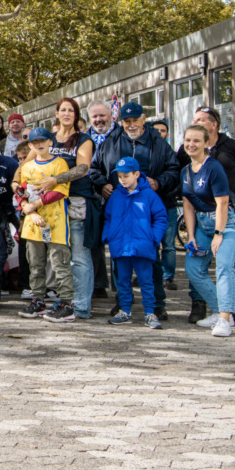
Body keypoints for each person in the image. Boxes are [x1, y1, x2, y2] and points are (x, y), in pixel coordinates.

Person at [89, 100, 180, 321]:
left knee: (152, 261)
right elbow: (94, 168)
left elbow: (174, 169)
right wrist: (102, 185)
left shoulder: (158, 143)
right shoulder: (110, 141)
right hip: (119, 208)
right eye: (126, 121)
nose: (130, 125)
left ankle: (157, 304)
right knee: (119, 261)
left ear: (143, 119)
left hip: (147, 208)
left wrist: (159, 182)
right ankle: (122, 302)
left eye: (134, 120)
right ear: (121, 121)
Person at [176, 106, 235, 325]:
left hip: (227, 221)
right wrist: (190, 236)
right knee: (193, 269)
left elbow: (223, 202)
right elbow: (188, 203)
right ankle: (221, 311)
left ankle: (225, 318)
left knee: (225, 265)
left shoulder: (217, 163)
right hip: (202, 223)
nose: (191, 145)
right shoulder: (185, 169)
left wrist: (219, 233)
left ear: (207, 138)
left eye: (196, 141)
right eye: (187, 140)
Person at [42, 97, 97, 319]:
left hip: (76, 202)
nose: (66, 114)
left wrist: (55, 180)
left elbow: (83, 168)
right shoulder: (48, 140)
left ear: (76, 115)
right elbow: (28, 162)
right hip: (51, 205)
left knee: (79, 256)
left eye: (71, 111)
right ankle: (66, 301)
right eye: (62, 110)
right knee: (59, 257)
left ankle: (82, 306)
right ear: (56, 114)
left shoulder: (83, 139)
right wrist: (18, 181)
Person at [16, 128, 75, 322]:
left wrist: (35, 204)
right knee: (35, 265)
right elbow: (21, 191)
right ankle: (38, 300)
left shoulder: (60, 164)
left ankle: (67, 303)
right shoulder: (27, 167)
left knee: (59, 264)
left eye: (44, 140)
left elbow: (60, 191)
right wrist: (27, 208)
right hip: (33, 224)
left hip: (56, 222)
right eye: (35, 142)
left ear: (51, 142)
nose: (39, 144)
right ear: (30, 145)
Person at [103, 158, 167, 329]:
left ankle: (150, 313)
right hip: (121, 246)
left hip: (142, 246)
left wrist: (153, 238)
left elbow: (160, 218)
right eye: (119, 176)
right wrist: (108, 236)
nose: (122, 179)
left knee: (146, 281)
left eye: (126, 176)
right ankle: (124, 311)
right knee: (122, 281)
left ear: (136, 174)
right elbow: (108, 217)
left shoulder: (149, 195)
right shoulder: (116, 195)